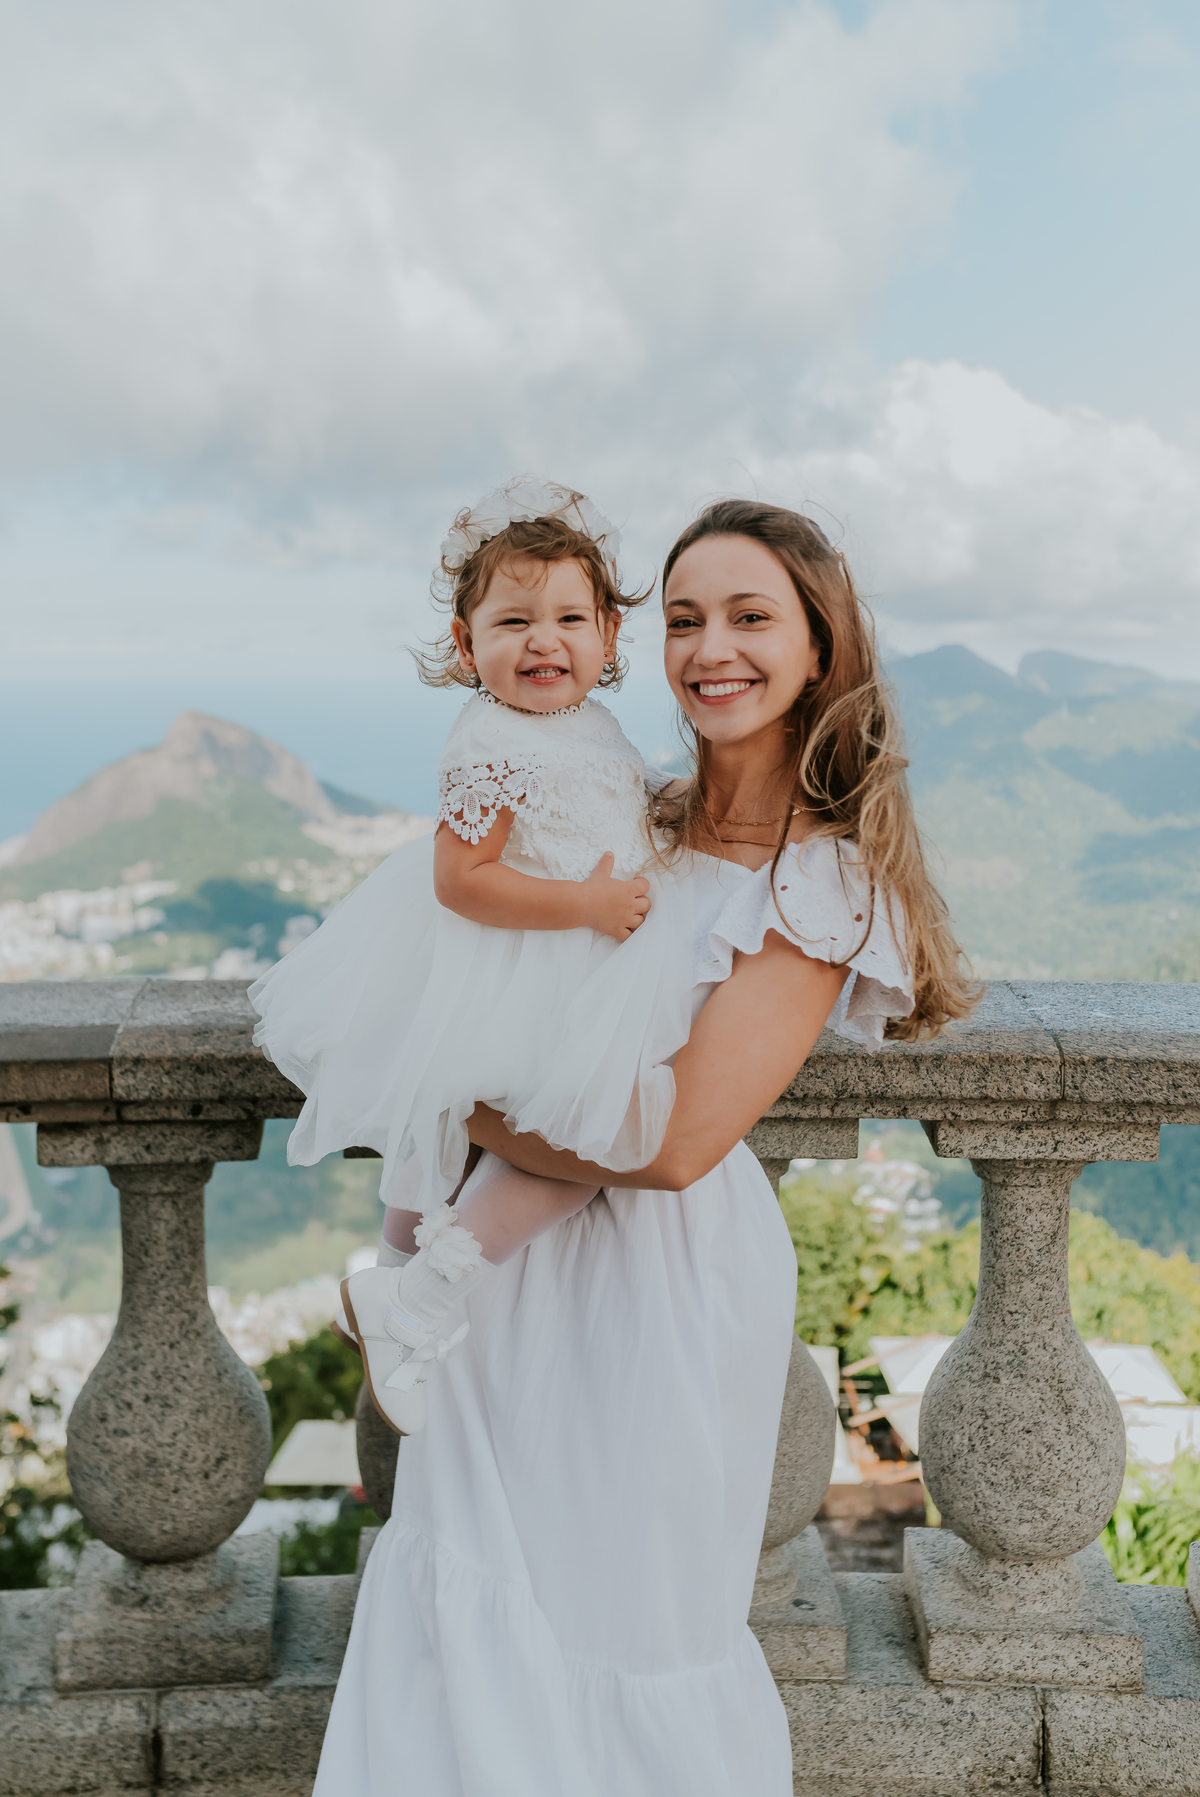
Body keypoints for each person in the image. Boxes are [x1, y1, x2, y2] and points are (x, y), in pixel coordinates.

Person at [312, 498, 974, 1797]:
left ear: (819, 647)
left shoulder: (818, 879)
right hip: (508, 1275)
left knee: (628, 1619)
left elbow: (673, 1145)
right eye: (683, 618)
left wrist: (437, 1089)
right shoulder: (642, 820)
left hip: (658, 1284)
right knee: (483, 1584)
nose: (710, 647)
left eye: (749, 617)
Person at [251, 477, 700, 1435]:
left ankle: (389, 1282)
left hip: (563, 968)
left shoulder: (584, 722)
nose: (545, 640)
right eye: (514, 621)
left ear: (611, 638)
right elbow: (464, 879)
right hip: (517, 961)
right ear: (467, 645)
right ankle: (420, 1298)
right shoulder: (491, 742)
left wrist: (670, 803)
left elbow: (606, 793)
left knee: (451, 1142)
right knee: (588, 1140)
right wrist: (585, 903)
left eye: (571, 618)